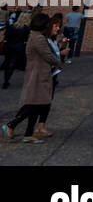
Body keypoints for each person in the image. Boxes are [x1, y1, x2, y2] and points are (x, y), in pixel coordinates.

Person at [1, 14, 60, 143]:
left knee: (37, 103)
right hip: (38, 75)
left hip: (38, 73)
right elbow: (48, 55)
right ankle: (11, 125)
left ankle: (28, 134)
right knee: (36, 104)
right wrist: (58, 62)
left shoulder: (35, 37)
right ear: (44, 25)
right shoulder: (38, 38)